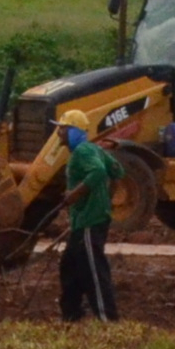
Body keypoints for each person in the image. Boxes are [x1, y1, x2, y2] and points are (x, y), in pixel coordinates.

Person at [58, 128, 120, 322]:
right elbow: (117, 171)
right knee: (69, 266)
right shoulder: (95, 149)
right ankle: (71, 316)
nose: (59, 133)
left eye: (63, 129)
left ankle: (108, 321)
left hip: (89, 222)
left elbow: (99, 172)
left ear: (74, 132)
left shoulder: (82, 152)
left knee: (93, 271)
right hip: (85, 220)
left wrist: (74, 194)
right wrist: (106, 201)